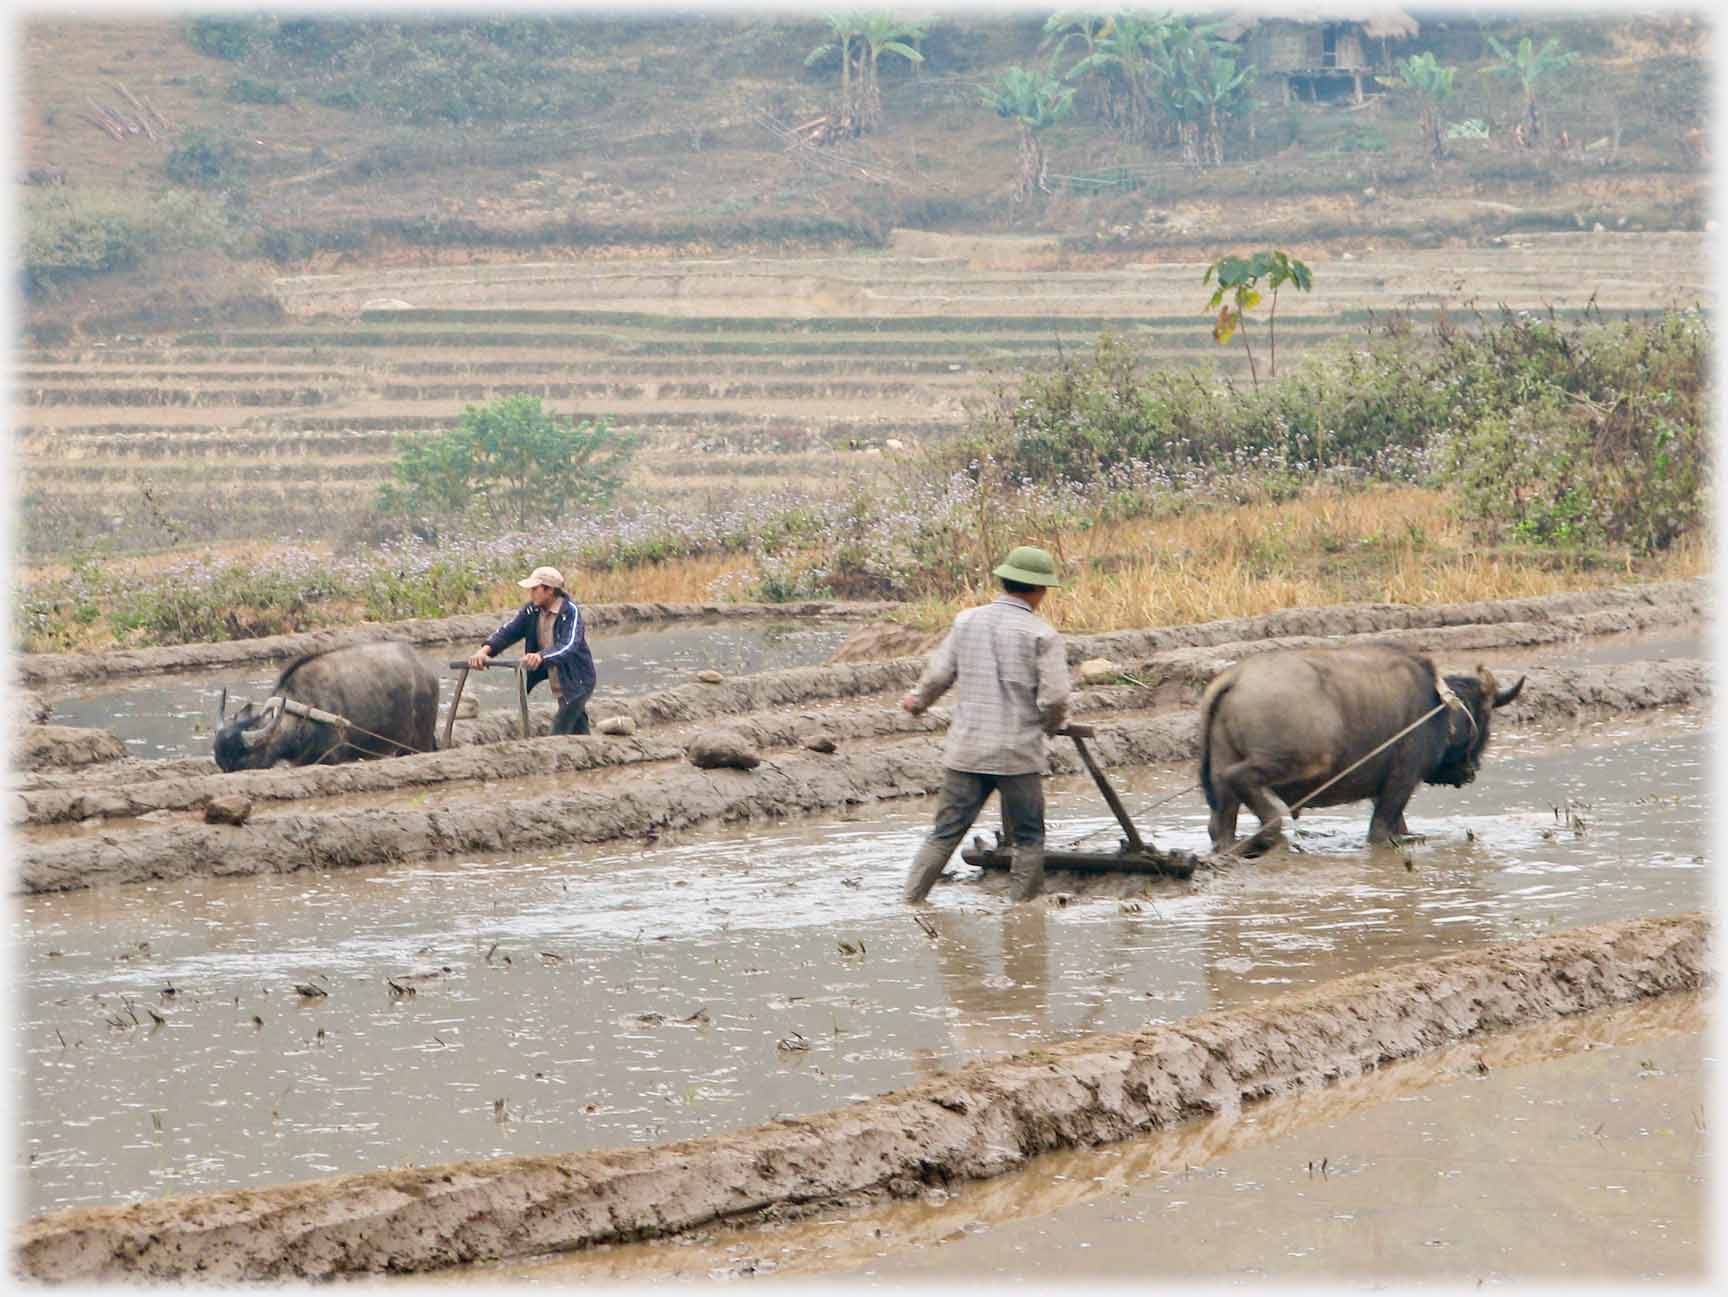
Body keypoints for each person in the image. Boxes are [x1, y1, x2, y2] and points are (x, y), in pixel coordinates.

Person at [900, 545, 1071, 903]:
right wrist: (1050, 727)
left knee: (943, 833)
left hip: (967, 750)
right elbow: (1055, 698)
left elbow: (938, 675)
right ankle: (1022, 913)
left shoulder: (966, 621)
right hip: (1017, 754)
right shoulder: (1042, 635)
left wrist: (917, 702)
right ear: (1040, 591)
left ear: (1004, 581)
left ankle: (910, 901)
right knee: (1028, 837)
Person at [468, 565, 596, 736]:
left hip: (578, 679)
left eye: (535, 589)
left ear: (549, 590)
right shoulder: (532, 610)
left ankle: (556, 753)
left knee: (561, 725)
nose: (531, 593)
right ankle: (590, 750)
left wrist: (540, 656)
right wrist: (484, 651)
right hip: (558, 678)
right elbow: (509, 631)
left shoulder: (569, 612)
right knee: (577, 727)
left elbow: (568, 645)